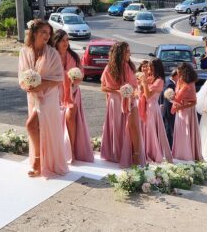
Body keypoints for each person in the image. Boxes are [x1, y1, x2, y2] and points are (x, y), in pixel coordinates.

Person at [18, 19, 68, 178]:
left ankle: (39, 161)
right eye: (43, 32)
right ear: (34, 33)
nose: (47, 36)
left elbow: (59, 78)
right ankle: (40, 159)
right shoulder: (24, 52)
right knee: (37, 127)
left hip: (49, 96)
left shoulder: (52, 53)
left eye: (48, 33)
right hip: (33, 95)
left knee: (31, 125)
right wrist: (26, 85)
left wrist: (42, 84)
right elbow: (22, 75)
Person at [100, 42, 146, 167]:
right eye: (127, 51)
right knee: (119, 127)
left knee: (134, 126)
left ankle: (136, 155)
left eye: (129, 51)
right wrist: (117, 91)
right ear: (120, 53)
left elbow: (135, 85)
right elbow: (103, 87)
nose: (129, 54)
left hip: (130, 100)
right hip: (116, 101)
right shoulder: (109, 68)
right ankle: (120, 154)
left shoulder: (129, 66)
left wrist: (132, 92)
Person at [54, 29, 94, 163]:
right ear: (57, 42)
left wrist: (76, 79)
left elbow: (81, 74)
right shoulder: (52, 56)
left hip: (73, 92)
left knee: (70, 117)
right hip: (56, 93)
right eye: (62, 40)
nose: (66, 43)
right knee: (58, 121)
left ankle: (72, 150)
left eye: (67, 40)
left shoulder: (75, 56)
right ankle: (59, 151)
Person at [139, 58, 173, 163]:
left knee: (151, 131)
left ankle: (152, 153)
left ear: (156, 67)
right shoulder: (151, 78)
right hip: (145, 106)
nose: (148, 68)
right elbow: (141, 91)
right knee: (145, 130)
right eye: (148, 66)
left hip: (152, 108)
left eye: (150, 66)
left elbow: (148, 95)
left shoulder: (159, 81)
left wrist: (144, 83)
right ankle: (144, 151)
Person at [171, 62, 203, 161]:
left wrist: (180, 107)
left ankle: (186, 155)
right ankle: (179, 154)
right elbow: (177, 96)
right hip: (180, 110)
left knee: (185, 132)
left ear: (182, 71)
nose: (177, 71)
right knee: (180, 132)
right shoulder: (180, 81)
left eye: (178, 70)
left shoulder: (189, 84)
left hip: (186, 112)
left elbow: (194, 102)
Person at [159, 69, 178, 149]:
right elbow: (168, 97)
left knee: (168, 127)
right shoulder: (170, 84)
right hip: (169, 108)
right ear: (176, 76)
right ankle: (169, 146)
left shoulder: (167, 80)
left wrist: (161, 103)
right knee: (169, 128)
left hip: (166, 108)